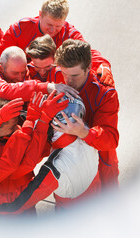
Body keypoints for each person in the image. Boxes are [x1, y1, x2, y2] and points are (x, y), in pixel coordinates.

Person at [0, 95, 101, 213]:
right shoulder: (88, 135)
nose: (15, 127)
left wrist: (39, 122)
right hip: (92, 201)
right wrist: (38, 122)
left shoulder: (54, 164)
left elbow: (23, 168)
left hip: (8, 205)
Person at [0, 0, 114, 87]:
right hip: (22, 84)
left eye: (58, 26)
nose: (52, 30)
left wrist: (103, 65)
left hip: (56, 86)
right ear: (40, 15)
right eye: (49, 24)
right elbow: (0, 52)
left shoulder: (69, 34)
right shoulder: (21, 28)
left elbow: (87, 53)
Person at [52, 39, 119, 192]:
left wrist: (84, 132)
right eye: (64, 73)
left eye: (75, 75)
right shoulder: (56, 78)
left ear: (89, 67)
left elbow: (111, 139)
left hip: (101, 167)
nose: (68, 81)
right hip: (67, 165)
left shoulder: (105, 94)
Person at [0, 46, 78, 115]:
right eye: (15, 73)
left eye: (23, 72)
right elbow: (5, 90)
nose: (20, 77)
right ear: (1, 67)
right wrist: (46, 87)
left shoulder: (22, 70)